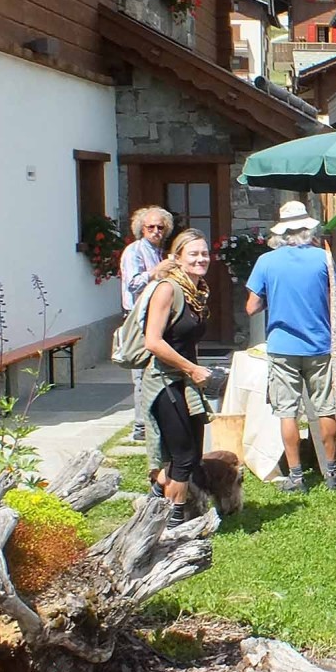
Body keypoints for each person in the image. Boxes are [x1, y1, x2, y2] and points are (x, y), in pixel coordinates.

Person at [246, 201, 336, 494]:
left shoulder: (266, 261)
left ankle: (297, 475)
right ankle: (332, 471)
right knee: (326, 408)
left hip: (283, 345)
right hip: (319, 343)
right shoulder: (323, 258)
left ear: (281, 232)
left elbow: (251, 307)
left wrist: (273, 297)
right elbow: (334, 297)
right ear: (308, 229)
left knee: (287, 412)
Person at [142, 229, 213, 527]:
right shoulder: (167, 290)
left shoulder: (197, 291)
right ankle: (173, 526)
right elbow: (153, 341)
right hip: (164, 381)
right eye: (193, 254)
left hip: (185, 382)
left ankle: (154, 501)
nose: (201, 259)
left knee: (191, 455)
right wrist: (192, 368)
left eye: (204, 253)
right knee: (182, 457)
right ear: (177, 258)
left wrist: (193, 371)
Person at [120, 206, 175, 442]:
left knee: (155, 371)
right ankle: (140, 427)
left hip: (156, 317)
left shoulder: (159, 252)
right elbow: (132, 284)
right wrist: (156, 272)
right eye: (150, 227)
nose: (155, 231)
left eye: (160, 227)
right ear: (141, 229)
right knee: (141, 374)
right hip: (138, 319)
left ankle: (154, 420)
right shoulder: (134, 251)